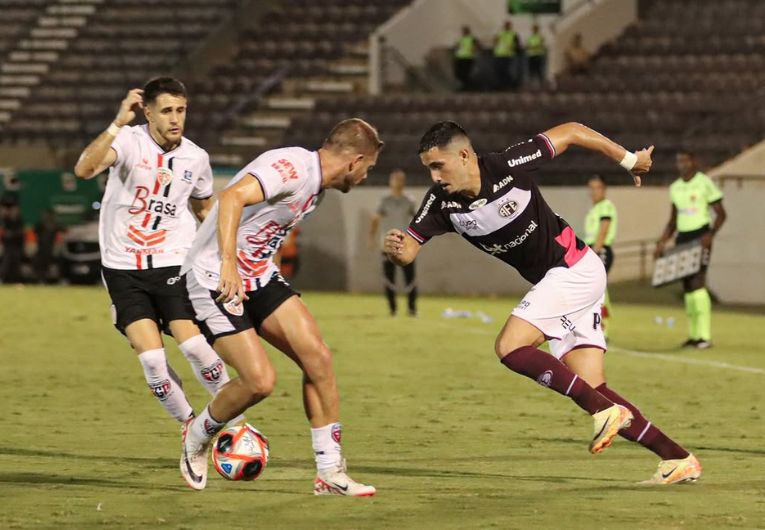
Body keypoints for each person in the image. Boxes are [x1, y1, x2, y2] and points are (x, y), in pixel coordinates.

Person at [384, 121, 701, 485]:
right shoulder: (441, 202)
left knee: (509, 346)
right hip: (568, 279)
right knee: (592, 385)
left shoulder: (506, 166)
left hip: (572, 270)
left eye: (438, 165)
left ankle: (604, 412)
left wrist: (628, 159)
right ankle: (678, 458)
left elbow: (571, 131)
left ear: (464, 155)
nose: (434, 175)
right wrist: (395, 250)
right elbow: (409, 249)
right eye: (428, 168)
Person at [180, 118, 383, 495]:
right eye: (368, 169)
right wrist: (227, 263)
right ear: (354, 161)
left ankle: (329, 472)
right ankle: (197, 435)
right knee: (260, 382)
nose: (366, 177)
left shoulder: (317, 188)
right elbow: (232, 196)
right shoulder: (291, 167)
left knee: (318, 358)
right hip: (212, 277)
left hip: (258, 277)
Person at [73, 77, 235, 427]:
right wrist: (118, 122)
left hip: (173, 264)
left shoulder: (196, 157)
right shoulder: (128, 141)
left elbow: (206, 211)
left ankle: (235, 423)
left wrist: (224, 261)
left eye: (180, 110)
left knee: (194, 347)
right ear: (147, 113)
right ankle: (191, 430)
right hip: (122, 269)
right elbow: (84, 169)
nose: (175, 119)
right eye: (166, 111)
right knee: (152, 362)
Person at [655, 150, 726, 349]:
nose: (682, 164)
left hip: (700, 235)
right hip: (683, 238)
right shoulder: (675, 188)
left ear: (694, 161)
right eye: (679, 161)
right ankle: (694, 335)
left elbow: (721, 214)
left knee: (698, 282)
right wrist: (661, 242)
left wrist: (709, 235)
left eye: (686, 160)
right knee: (687, 286)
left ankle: (705, 336)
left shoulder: (704, 183)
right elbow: (673, 221)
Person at [369, 169, 417, 316]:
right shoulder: (385, 201)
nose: (397, 183)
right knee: (389, 279)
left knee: (410, 278)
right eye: (395, 180)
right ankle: (393, 309)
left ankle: (412, 309)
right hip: (388, 246)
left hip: (405, 246)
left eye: (400, 180)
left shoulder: (409, 200)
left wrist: (416, 239)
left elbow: (417, 219)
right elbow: (375, 219)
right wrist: (372, 237)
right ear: (390, 182)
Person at [583, 175, 616, 339]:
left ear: (604, 189)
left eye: (597, 188)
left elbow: (603, 231)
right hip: (592, 250)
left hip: (600, 250)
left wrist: (594, 253)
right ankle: (595, 325)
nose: (593, 192)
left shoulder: (606, 206)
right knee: (593, 289)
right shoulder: (594, 209)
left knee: (600, 289)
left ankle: (604, 328)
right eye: (591, 188)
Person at [0, 197, 25, 283]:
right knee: (6, 261)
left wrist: (11, 234)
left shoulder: (18, 220)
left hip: (16, 244)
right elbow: (4, 232)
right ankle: (2, 278)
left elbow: (20, 232)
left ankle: (17, 280)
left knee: (16, 262)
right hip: (8, 244)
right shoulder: (5, 219)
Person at [493, 20, 522, 90]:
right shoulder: (499, 33)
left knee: (508, 71)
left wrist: (513, 47)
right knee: (500, 71)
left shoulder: (514, 34)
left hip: (509, 55)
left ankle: (510, 86)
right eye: (505, 25)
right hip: (499, 54)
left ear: (510, 26)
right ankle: (501, 86)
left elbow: (517, 44)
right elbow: (495, 41)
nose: (506, 26)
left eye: (508, 25)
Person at [34, 208, 61, 283]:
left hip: (49, 247)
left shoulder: (54, 225)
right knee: (41, 263)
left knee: (46, 262)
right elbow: (36, 232)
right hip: (42, 247)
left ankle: (44, 277)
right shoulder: (41, 224)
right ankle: (40, 277)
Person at [453, 25, 480, 91]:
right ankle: (466, 86)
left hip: (468, 58)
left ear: (468, 31)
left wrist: (474, 49)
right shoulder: (461, 39)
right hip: (460, 58)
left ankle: (467, 87)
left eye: (465, 30)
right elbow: (457, 47)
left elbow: (477, 45)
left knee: (466, 73)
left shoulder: (472, 38)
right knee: (458, 73)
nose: (463, 32)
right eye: (463, 31)